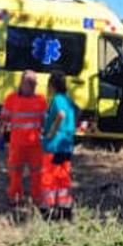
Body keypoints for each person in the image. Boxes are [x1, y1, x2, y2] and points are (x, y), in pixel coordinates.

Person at [0, 70, 47, 214]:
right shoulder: (11, 99)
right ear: (22, 83)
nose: (32, 86)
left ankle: (37, 199)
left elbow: (45, 122)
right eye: (30, 83)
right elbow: (4, 120)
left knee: (37, 173)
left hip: (35, 145)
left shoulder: (41, 100)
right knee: (15, 172)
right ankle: (15, 198)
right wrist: (1, 136)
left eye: (34, 83)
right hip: (17, 145)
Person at [40, 72, 78, 220]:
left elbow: (60, 115)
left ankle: (48, 210)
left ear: (52, 86)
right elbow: (76, 112)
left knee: (49, 178)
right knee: (63, 178)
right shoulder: (68, 100)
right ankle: (65, 209)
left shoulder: (56, 99)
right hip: (66, 146)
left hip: (53, 146)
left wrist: (51, 132)